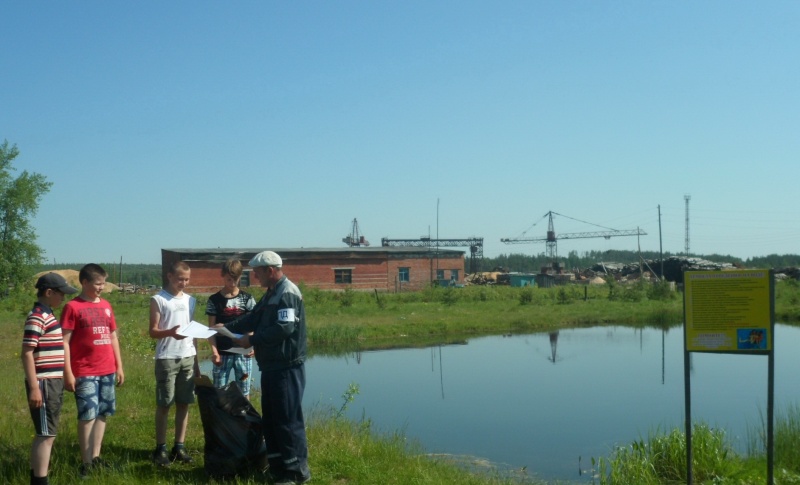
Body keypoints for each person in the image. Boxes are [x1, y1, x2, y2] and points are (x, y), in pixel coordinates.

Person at [221, 250, 311, 485]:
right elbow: (253, 318)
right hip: (271, 367)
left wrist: (252, 339)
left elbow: (285, 328)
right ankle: (279, 467)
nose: (255, 277)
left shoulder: (287, 293)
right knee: (271, 418)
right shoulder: (271, 293)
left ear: (270, 271)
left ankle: (296, 472)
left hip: (287, 367)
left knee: (287, 419)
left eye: (258, 272)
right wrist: (223, 328)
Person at [61, 264, 125, 478]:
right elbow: (65, 341)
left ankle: (96, 457)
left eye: (103, 283)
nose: (102, 287)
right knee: (87, 414)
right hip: (84, 371)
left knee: (103, 413)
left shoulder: (106, 305)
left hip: (107, 368)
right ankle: (85, 461)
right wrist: (68, 372)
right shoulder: (73, 307)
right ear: (85, 282)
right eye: (98, 283)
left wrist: (119, 365)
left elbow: (113, 336)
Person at [22, 273, 78, 485]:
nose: (63, 298)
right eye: (61, 294)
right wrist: (35, 388)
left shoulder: (48, 314)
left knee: (46, 433)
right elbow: (27, 352)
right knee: (46, 435)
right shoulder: (37, 317)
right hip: (44, 383)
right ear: (49, 292)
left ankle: (38, 476)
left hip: (51, 382)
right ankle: (40, 480)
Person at [149, 260, 200, 467]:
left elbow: (193, 330)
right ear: (169, 276)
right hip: (167, 357)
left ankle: (179, 445)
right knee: (164, 403)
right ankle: (160, 448)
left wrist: (196, 361)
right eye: (180, 279)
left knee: (184, 402)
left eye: (187, 279)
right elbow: (153, 331)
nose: (184, 283)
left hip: (187, 356)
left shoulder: (191, 300)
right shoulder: (159, 299)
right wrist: (170, 333)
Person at [205, 258, 256, 398]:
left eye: (235, 279)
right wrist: (214, 352)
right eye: (228, 279)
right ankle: (222, 419)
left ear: (240, 277)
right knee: (219, 392)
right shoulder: (214, 300)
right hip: (222, 354)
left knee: (244, 393)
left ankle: (245, 419)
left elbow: (253, 325)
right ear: (222, 276)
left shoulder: (248, 299)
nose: (232, 283)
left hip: (243, 353)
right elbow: (211, 330)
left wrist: (253, 345)